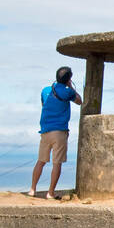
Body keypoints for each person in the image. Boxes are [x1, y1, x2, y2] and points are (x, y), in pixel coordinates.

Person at [31, 66, 82, 199]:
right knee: (56, 163)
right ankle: (50, 193)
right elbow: (79, 101)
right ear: (69, 79)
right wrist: (70, 87)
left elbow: (44, 105)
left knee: (41, 161)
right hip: (59, 131)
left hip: (45, 130)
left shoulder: (46, 90)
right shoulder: (67, 92)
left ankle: (32, 189)